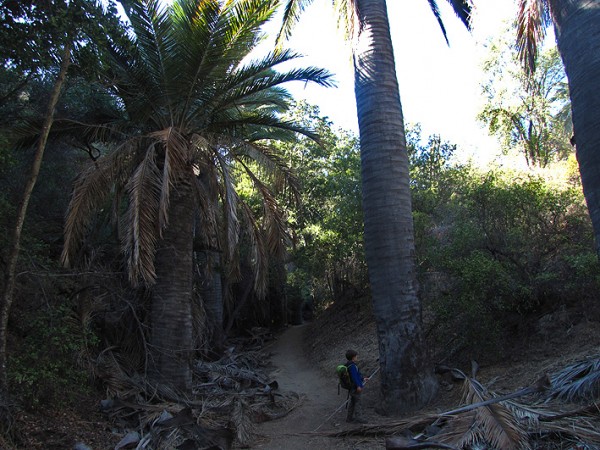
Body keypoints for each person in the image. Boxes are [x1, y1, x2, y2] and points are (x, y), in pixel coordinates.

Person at [345, 349, 368, 424]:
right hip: (355, 388)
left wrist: (363, 379)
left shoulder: (349, 365)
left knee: (353, 402)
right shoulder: (352, 366)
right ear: (353, 357)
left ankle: (349, 418)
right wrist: (358, 386)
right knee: (358, 402)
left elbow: (357, 376)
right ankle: (359, 418)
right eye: (356, 356)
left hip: (352, 387)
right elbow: (354, 377)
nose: (357, 357)